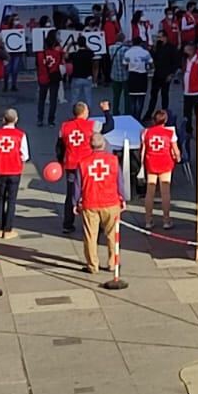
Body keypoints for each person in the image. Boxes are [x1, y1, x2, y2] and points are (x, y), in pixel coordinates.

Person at [78, 131, 123, 276]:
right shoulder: (113, 160)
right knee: (112, 235)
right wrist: (123, 198)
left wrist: (75, 202)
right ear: (104, 144)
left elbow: (78, 186)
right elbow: (120, 182)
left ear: (90, 145)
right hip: (111, 202)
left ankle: (92, 265)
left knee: (91, 236)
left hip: (90, 203)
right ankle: (112, 263)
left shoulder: (83, 163)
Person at [58, 102, 97, 234]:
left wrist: (60, 161)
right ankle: (92, 223)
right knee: (90, 193)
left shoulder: (64, 127)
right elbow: (109, 126)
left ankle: (67, 224)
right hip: (86, 165)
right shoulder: (91, 125)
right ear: (84, 112)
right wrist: (107, 111)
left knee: (71, 194)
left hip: (71, 164)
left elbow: (59, 146)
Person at [0, 109, 29, 238]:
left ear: (3, 119)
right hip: (14, 170)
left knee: (0, 199)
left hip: (0, 170)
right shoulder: (20, 135)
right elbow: (25, 156)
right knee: (11, 200)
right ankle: (8, 229)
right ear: (16, 120)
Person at [140, 109, 181, 230]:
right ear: (166, 120)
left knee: (150, 192)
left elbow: (142, 149)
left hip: (151, 163)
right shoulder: (170, 133)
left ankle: (148, 220)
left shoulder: (146, 132)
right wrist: (178, 158)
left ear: (154, 120)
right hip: (165, 163)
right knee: (165, 193)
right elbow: (175, 149)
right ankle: (166, 220)